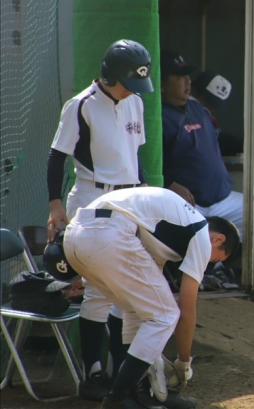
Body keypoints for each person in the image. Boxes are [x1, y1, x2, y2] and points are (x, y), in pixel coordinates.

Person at [61, 186, 240, 409]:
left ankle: (140, 391)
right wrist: (184, 363)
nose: (209, 263)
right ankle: (117, 397)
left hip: (76, 235)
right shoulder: (201, 234)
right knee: (166, 315)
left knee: (138, 311)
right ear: (218, 239)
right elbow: (187, 309)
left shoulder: (173, 229)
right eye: (214, 260)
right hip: (110, 233)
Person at [46, 39, 154, 401]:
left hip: (128, 200)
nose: (133, 89)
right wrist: (55, 205)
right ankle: (93, 374)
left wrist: (144, 192)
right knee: (97, 291)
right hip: (92, 198)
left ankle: (119, 374)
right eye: (128, 81)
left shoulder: (135, 101)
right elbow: (57, 157)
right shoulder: (81, 105)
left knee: (125, 292)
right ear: (109, 75)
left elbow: (135, 156)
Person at [160, 51, 254, 239]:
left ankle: (221, 256)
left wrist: (244, 144)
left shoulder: (197, 108)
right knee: (192, 241)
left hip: (221, 199)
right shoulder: (157, 116)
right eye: (179, 77)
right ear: (162, 85)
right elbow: (146, 162)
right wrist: (168, 184)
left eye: (187, 76)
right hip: (188, 203)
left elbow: (216, 138)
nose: (187, 81)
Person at [191, 70, 254, 161]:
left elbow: (217, 139)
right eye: (208, 102)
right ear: (192, 91)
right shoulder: (184, 115)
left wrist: (246, 145)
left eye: (215, 105)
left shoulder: (208, 120)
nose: (211, 109)